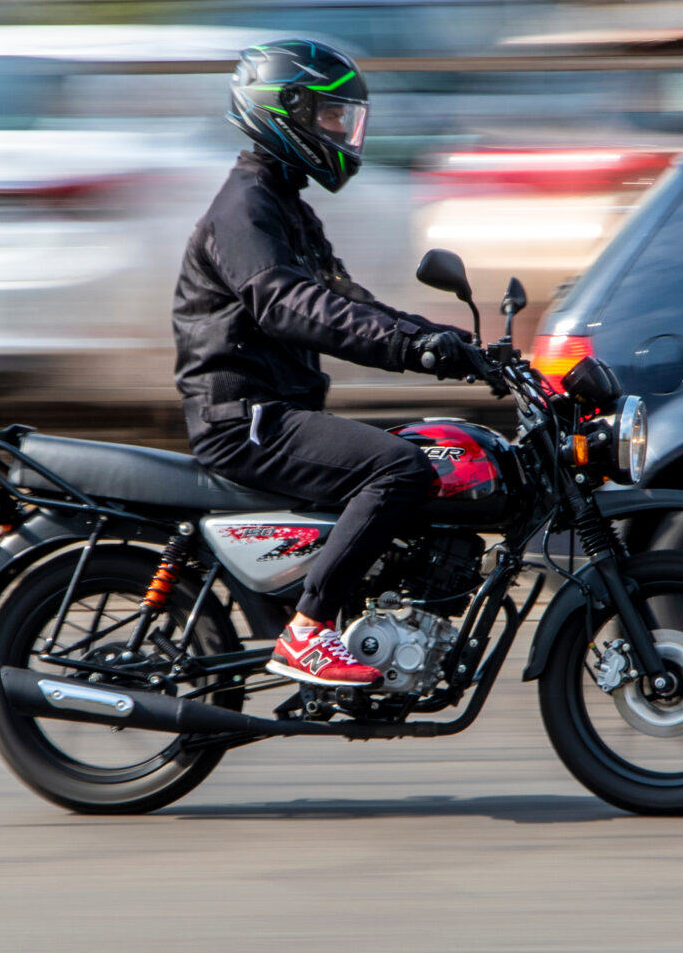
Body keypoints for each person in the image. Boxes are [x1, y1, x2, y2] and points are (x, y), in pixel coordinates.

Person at [173, 38, 481, 687]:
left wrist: (453, 344)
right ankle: (308, 632)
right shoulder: (244, 211)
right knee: (399, 468)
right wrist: (409, 347)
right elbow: (289, 305)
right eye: (330, 116)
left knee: (432, 440)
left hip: (280, 409)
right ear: (284, 111)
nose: (341, 131)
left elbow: (347, 301)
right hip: (245, 418)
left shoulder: (287, 207)